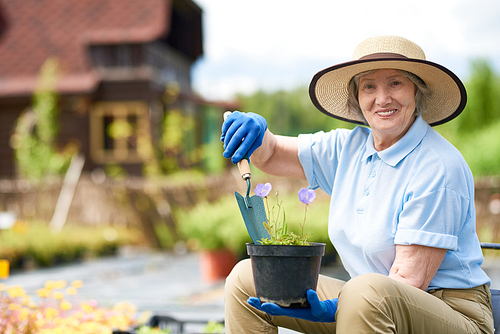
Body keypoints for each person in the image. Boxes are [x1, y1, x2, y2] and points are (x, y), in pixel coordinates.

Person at [220, 35, 494, 334]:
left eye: (396, 83)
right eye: (369, 86)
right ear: (357, 97)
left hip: (450, 312)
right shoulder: (348, 148)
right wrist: (257, 133)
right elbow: (271, 154)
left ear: (417, 90)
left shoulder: (437, 166)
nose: (382, 98)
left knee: (364, 293)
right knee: (246, 280)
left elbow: (407, 281)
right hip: (367, 300)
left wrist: (339, 307)